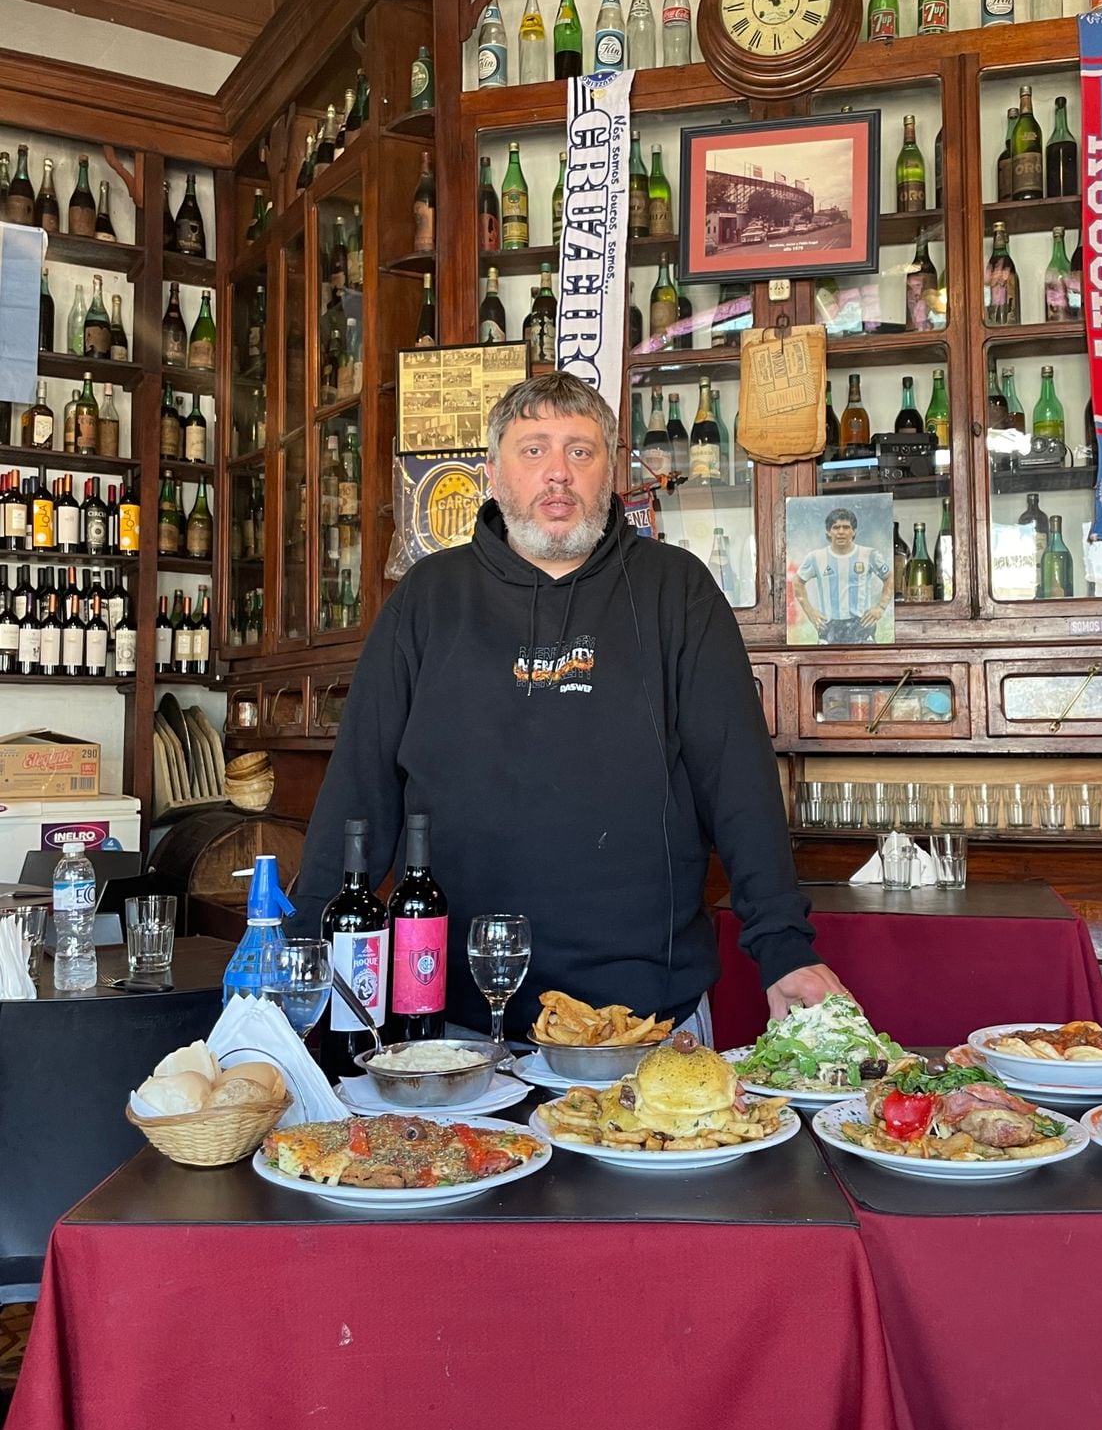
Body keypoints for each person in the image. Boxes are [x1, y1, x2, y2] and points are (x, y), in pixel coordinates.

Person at [291, 372, 853, 1034]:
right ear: (495, 475)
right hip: (454, 1015)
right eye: (534, 450)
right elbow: (359, 786)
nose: (558, 473)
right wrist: (301, 945)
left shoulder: (679, 591)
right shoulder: (428, 598)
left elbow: (739, 782)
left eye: (580, 451)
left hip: (646, 1014)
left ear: (609, 471)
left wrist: (783, 945)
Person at [794, 506, 893, 644]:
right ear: (828, 531)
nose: (841, 532)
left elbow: (889, 577)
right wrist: (810, 612)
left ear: (854, 531)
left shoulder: (869, 555)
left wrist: (881, 607)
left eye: (846, 527)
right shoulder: (816, 557)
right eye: (836, 527)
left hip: (861, 626)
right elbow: (798, 581)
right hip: (829, 627)